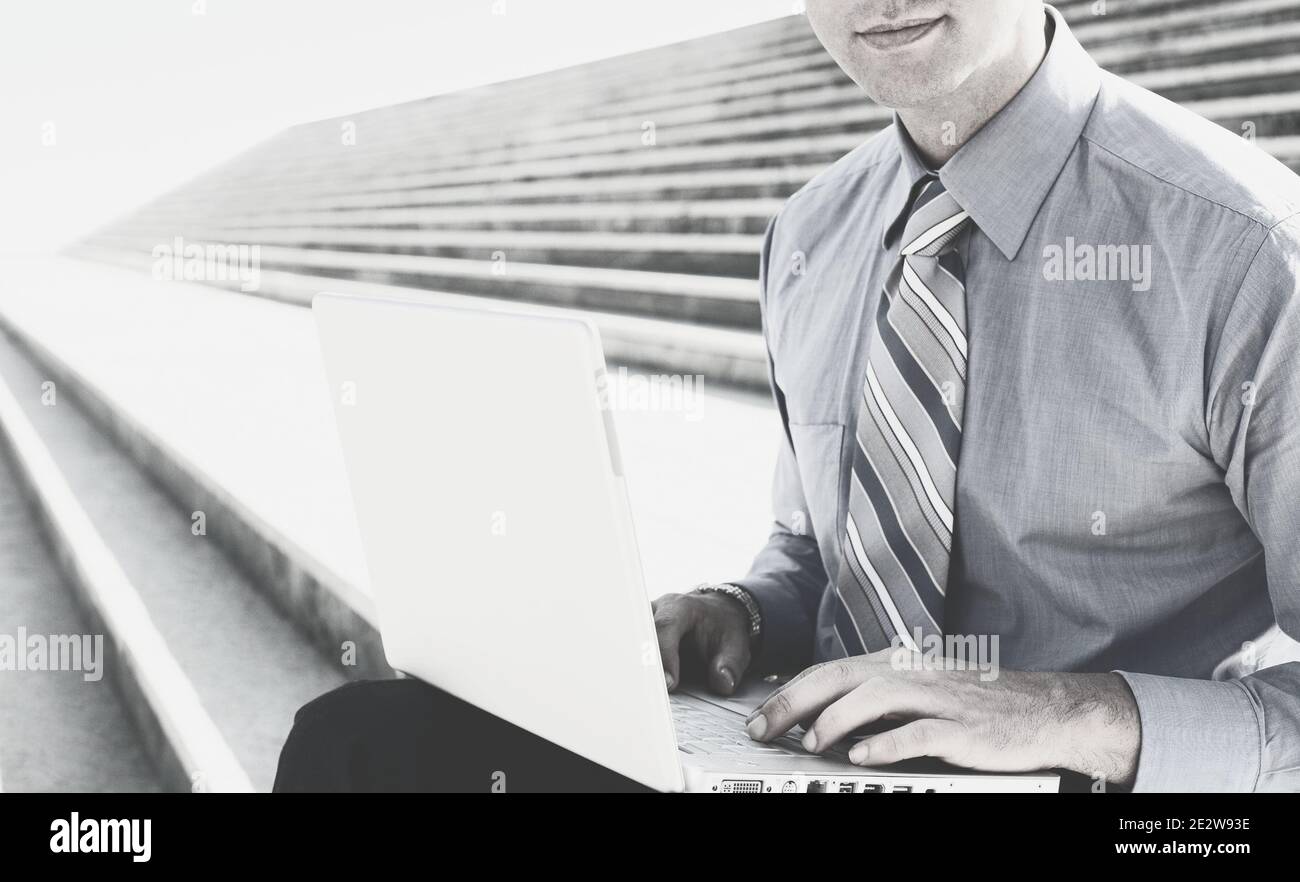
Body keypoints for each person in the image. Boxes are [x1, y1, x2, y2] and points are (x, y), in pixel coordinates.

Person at [275, 1, 1300, 793]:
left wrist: (1063, 714)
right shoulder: (812, 234)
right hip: (817, 759)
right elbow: (818, 549)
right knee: (357, 748)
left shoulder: (1246, 249)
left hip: (1108, 797)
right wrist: (742, 616)